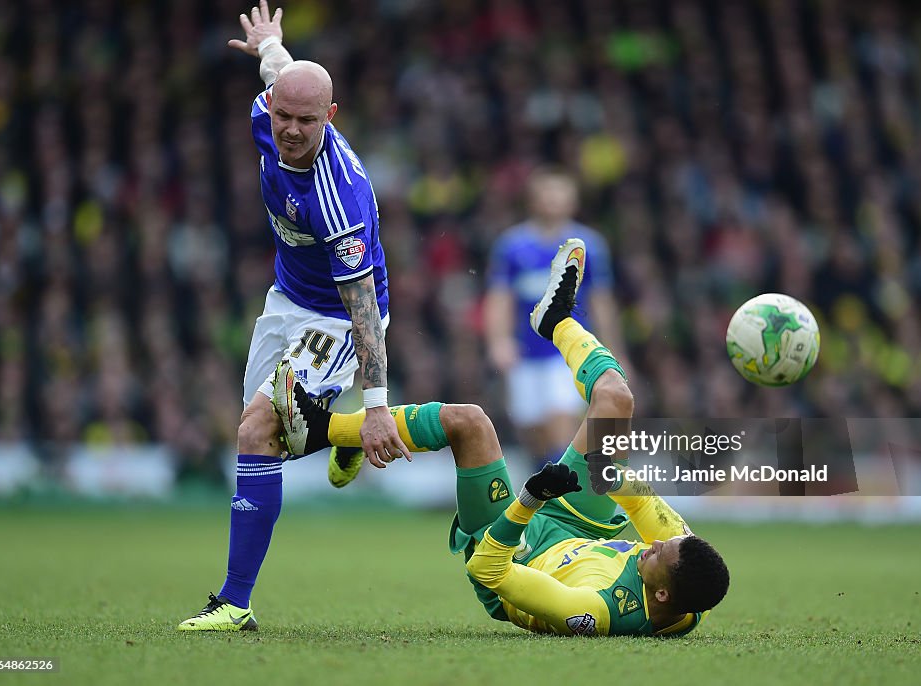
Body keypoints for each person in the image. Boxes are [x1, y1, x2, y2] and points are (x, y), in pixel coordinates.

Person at [263, 239, 729, 636]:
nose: (650, 543)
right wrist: (606, 467)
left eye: (655, 553)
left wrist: (528, 499)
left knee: (469, 423)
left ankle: (322, 432)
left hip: (512, 548)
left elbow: (487, 570)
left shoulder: (595, 610)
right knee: (616, 399)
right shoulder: (685, 572)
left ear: (661, 592)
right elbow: (639, 503)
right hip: (580, 527)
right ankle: (556, 321)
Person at [178, 1, 410, 632]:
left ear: (330, 118)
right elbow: (278, 74)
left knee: (258, 431)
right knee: (254, 432)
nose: (290, 130)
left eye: (307, 121)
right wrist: (273, 46)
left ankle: (233, 602)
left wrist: (382, 405)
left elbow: (365, 312)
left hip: (336, 319)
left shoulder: (340, 198)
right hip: (283, 302)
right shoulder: (267, 112)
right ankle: (341, 431)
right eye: (283, 115)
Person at [485, 167, 627, 466]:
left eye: (560, 193)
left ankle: (561, 502)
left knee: (560, 423)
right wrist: (499, 341)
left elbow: (601, 301)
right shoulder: (512, 246)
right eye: (546, 194)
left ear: (572, 201)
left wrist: (615, 350)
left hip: (568, 354)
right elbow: (500, 298)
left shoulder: (589, 245)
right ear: (532, 200)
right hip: (526, 353)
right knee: (532, 431)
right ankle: (544, 491)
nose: (553, 200)